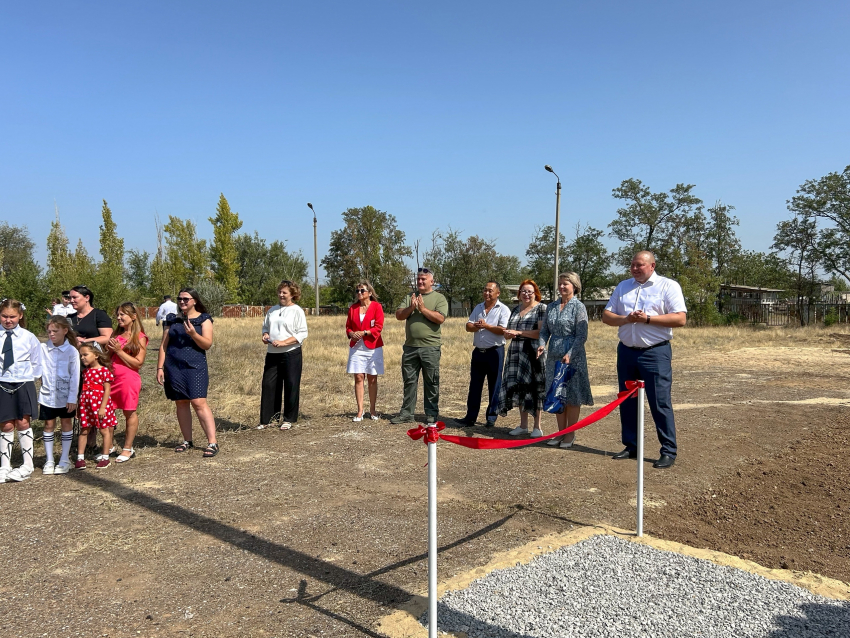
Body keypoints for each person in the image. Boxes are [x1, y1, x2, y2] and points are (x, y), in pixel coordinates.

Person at [602, 250, 687, 469]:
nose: (635, 268)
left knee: (659, 402)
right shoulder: (623, 286)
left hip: (655, 353)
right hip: (627, 352)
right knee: (627, 401)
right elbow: (606, 316)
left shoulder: (668, 286)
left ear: (652, 266)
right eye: (632, 265)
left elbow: (680, 318)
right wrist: (626, 319)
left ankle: (668, 451)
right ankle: (632, 446)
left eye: (639, 265)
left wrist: (648, 319)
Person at [157, 288, 219, 458]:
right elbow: (164, 345)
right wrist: (160, 368)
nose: (182, 302)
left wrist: (193, 334)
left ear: (195, 300)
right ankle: (187, 440)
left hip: (195, 365)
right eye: (179, 299)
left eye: (186, 299)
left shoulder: (203, 319)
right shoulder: (171, 319)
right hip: (173, 365)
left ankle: (212, 442)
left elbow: (207, 344)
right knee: (181, 402)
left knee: (199, 402)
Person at [537, 272, 594, 448]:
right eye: (560, 284)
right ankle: (560, 433)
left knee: (572, 396)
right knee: (557, 394)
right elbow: (545, 330)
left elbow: (581, 335)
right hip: (554, 354)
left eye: (565, 284)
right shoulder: (552, 307)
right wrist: (541, 344)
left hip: (573, 357)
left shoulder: (579, 307)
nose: (561, 287)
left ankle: (570, 434)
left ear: (574, 286)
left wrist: (570, 353)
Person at [391, 268, 448, 425]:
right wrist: (412, 307)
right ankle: (407, 413)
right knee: (409, 381)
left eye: (424, 279)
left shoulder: (439, 298)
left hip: (430, 348)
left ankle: (431, 414)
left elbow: (440, 318)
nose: (420, 282)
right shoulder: (410, 297)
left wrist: (422, 309)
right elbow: (399, 315)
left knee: (431, 381)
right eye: (418, 279)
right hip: (410, 348)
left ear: (432, 281)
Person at [455, 281, 510, 428]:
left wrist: (486, 326)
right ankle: (470, 417)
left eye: (490, 291)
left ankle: (491, 417)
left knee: (494, 385)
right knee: (475, 385)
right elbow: (468, 326)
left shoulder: (503, 309)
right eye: (485, 290)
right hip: (479, 352)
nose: (486, 293)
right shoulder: (478, 307)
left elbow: (503, 330)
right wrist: (475, 326)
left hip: (495, 352)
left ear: (497, 293)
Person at [497, 280, 547, 437]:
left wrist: (519, 333)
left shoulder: (541, 308)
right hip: (516, 353)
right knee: (520, 388)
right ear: (519, 293)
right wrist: (508, 334)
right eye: (523, 291)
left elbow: (540, 332)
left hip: (533, 353)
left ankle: (537, 427)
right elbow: (509, 331)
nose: (526, 294)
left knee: (534, 388)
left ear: (535, 293)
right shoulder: (515, 309)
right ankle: (523, 425)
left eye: (530, 292)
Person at [0, 300, 42, 483]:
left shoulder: (28, 337)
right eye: (4, 316)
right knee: (6, 425)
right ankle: (5, 466)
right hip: (2, 383)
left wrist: (29, 379)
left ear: (20, 316)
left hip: (22, 383)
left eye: (12, 317)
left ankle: (27, 464)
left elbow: (37, 362)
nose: (8, 320)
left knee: (23, 422)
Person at [260, 280, 309, 430]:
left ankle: (288, 419)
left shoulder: (297, 311)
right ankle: (268, 419)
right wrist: (265, 335)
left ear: (293, 294)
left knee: (291, 384)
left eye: (284, 292)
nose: (281, 295)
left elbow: (302, 333)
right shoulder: (272, 310)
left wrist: (284, 342)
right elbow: (266, 327)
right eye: (279, 292)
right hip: (272, 353)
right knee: (269, 384)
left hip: (291, 353)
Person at [106, 302, 148, 463]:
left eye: (122, 314)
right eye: (117, 314)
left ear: (133, 316)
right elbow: (108, 359)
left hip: (128, 380)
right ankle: (108, 447)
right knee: (108, 413)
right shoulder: (115, 336)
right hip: (111, 380)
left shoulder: (140, 338)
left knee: (128, 411)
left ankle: (127, 448)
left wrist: (118, 351)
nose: (119, 317)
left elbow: (138, 363)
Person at [38, 315, 80, 474]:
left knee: (66, 424)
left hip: (65, 397)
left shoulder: (71, 351)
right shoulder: (43, 348)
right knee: (48, 425)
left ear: (65, 330)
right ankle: (49, 460)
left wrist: (72, 398)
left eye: (55, 331)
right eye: (49, 331)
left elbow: (75, 376)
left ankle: (64, 458)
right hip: (47, 396)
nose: (51, 334)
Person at [345, 281, 384, 422]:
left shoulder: (377, 307)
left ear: (370, 292)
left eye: (362, 290)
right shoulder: (353, 308)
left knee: (372, 378)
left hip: (373, 346)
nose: (359, 293)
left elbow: (378, 327)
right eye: (357, 291)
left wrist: (365, 332)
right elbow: (348, 327)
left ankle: (372, 410)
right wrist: (351, 333)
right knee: (359, 377)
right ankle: (360, 411)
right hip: (357, 347)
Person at [75, 343, 118, 470]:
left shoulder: (104, 371)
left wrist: (103, 407)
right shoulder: (85, 372)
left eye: (85, 355)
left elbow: (107, 390)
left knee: (104, 430)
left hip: (100, 405)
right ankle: (80, 458)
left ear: (96, 355)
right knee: (84, 430)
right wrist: (79, 407)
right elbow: (82, 391)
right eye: (81, 355)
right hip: (86, 405)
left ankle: (105, 457)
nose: (82, 358)